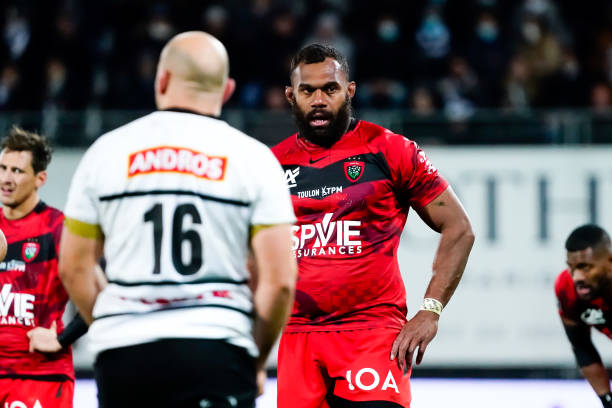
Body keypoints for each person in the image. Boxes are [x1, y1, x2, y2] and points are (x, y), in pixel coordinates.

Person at [58, 31, 297, 408]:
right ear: (227, 89)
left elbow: (73, 267)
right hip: (218, 349)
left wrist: (110, 323)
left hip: (124, 355)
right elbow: (280, 281)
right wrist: (257, 356)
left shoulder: (105, 152)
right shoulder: (254, 159)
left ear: (162, 79)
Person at [272, 43, 475, 408]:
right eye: (307, 90)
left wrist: (430, 310)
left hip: (371, 333)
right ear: (291, 95)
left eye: (330, 89)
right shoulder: (271, 165)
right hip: (298, 337)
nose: (319, 99)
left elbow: (459, 227)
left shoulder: (390, 150)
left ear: (349, 91)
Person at [0, 126, 90, 408]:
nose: (6, 178)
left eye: (17, 171)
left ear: (40, 178)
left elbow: (101, 294)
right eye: (3, 167)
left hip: (39, 376)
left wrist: (63, 338)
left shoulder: (59, 228)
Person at [555, 224, 612, 407]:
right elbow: (582, 347)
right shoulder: (566, 288)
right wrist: (607, 400)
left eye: (585, 267)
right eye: (571, 267)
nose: (577, 276)